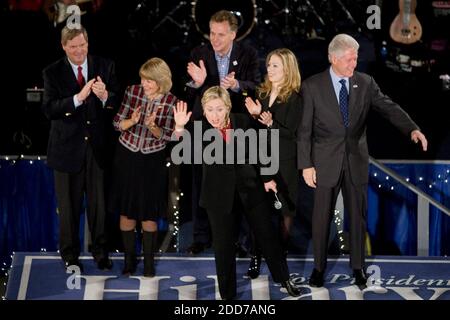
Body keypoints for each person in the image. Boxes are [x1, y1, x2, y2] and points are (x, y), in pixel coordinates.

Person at [297, 34, 428, 289]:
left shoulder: (365, 83)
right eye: (348, 59)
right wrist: (306, 165)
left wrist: (412, 128)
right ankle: (318, 268)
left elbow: (388, 107)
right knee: (322, 217)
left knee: (358, 216)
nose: (353, 64)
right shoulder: (313, 86)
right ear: (332, 59)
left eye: (355, 58)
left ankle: (358, 267)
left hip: (356, 159)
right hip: (324, 161)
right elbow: (304, 131)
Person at [173, 86, 300, 299]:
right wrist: (178, 127)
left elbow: (259, 151)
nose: (215, 115)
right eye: (210, 109)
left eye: (219, 109)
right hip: (218, 196)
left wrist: (267, 178)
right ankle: (227, 295)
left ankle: (283, 278)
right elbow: (179, 150)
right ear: (203, 110)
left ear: (228, 107)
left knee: (268, 237)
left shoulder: (242, 121)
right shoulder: (198, 129)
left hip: (250, 188)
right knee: (223, 248)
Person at [42, 25, 119, 271]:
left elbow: (118, 102)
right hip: (66, 151)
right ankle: (70, 255)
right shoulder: (52, 73)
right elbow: (49, 109)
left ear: (88, 43)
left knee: (99, 205)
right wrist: (78, 98)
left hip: (97, 150)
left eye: (82, 45)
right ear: (64, 47)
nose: (78, 51)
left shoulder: (105, 66)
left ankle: (101, 252)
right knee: (68, 208)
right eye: (73, 47)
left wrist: (106, 95)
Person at [185, 10, 261, 255]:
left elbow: (256, 85)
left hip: (235, 127)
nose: (214, 39)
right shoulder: (199, 53)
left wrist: (237, 85)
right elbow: (186, 91)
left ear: (233, 34)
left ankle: (240, 240)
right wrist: (198, 83)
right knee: (201, 182)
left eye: (220, 35)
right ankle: (200, 236)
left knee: (236, 184)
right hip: (204, 128)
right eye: (211, 33)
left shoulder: (247, 53)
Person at [110, 57, 176, 277]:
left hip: (152, 162)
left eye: (149, 80)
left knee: (149, 214)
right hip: (127, 157)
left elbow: (167, 136)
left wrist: (152, 126)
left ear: (161, 80)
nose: (144, 84)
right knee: (127, 211)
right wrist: (133, 121)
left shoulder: (171, 102)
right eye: (143, 79)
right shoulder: (132, 92)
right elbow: (117, 123)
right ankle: (130, 261)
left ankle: (148, 262)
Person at [244, 48, 302, 279]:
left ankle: (280, 258)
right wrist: (257, 117)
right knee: (260, 212)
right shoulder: (261, 92)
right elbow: (254, 129)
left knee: (285, 212)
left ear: (287, 69)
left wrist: (269, 123)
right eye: (269, 64)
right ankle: (256, 257)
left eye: (275, 65)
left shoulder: (297, 98)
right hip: (262, 161)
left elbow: (293, 135)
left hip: (285, 163)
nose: (269, 69)